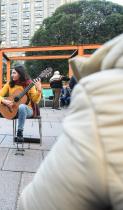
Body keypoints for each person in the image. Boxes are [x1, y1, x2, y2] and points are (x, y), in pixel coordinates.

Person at [18, 33, 123, 210]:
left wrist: (37, 89)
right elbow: (1, 93)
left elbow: (34, 204)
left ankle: (23, 129)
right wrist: (4, 99)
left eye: (14, 72)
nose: (12, 74)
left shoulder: (104, 95)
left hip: (29, 108)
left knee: (24, 107)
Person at [0, 66, 42, 146]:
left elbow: (35, 100)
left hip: (27, 110)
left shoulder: (29, 84)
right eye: (11, 73)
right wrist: (4, 101)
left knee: (22, 107)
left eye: (14, 73)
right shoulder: (10, 84)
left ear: (20, 74)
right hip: (11, 109)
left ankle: (19, 133)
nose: (12, 75)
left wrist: (39, 90)